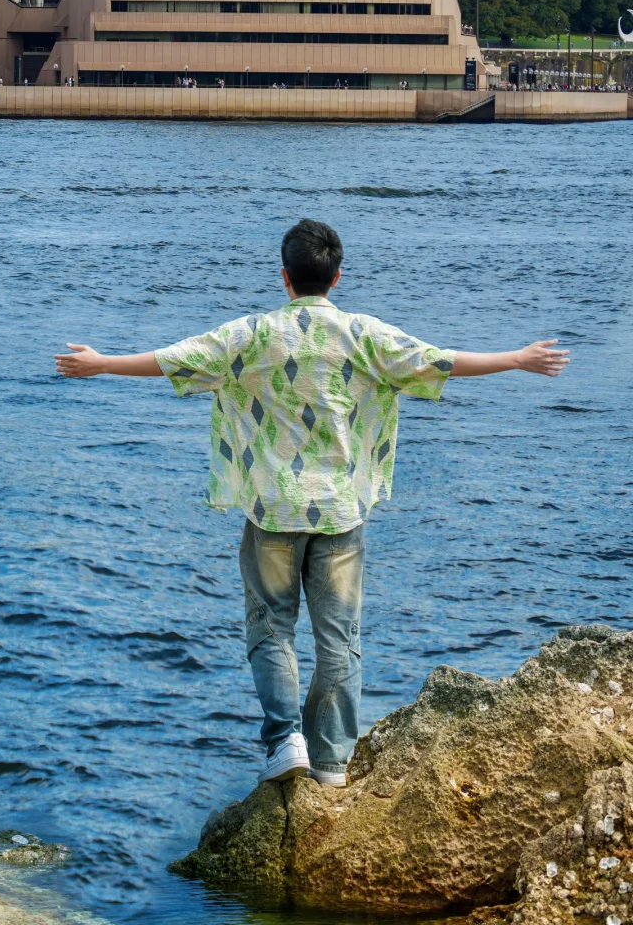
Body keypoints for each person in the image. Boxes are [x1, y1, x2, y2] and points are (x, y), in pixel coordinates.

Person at [55, 219, 568, 790]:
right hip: (341, 513)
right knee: (340, 637)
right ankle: (331, 763)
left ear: (285, 277)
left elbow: (175, 358)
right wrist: (518, 358)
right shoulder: (362, 334)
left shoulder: (251, 335)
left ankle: (284, 743)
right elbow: (440, 360)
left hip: (273, 512)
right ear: (337, 277)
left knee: (271, 628)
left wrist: (101, 362)